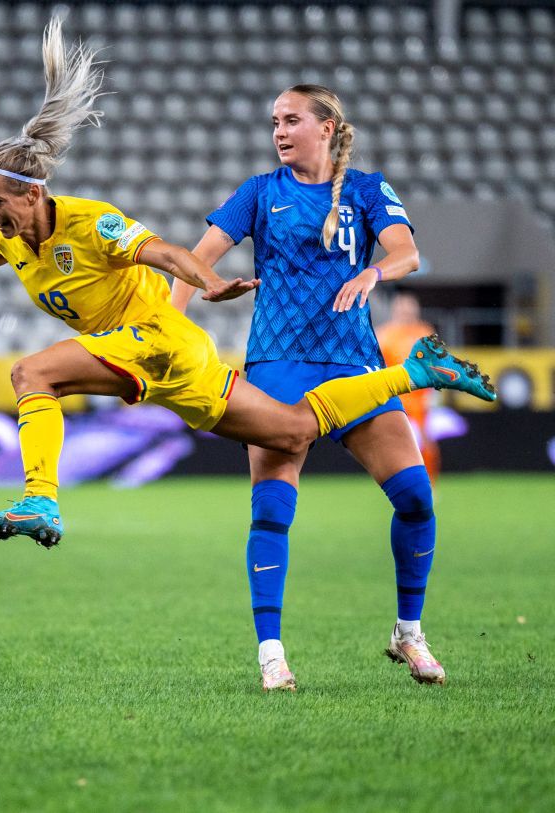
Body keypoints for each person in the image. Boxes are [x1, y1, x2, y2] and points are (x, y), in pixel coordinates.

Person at [0, 21, 493, 580]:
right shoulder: (12, 233)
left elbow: (165, 253)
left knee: (31, 373)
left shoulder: (91, 223)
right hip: (169, 359)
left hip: (155, 337)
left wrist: (207, 283)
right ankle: (416, 373)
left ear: (33, 195)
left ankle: (40, 500)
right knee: (291, 432)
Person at [170, 85, 449, 691]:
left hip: (355, 366)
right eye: (274, 121)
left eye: (291, 119)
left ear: (326, 128)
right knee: (272, 509)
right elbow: (193, 261)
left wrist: (372, 272)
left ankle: (408, 632)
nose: (279, 131)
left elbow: (407, 253)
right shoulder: (259, 192)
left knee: (416, 498)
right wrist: (174, 320)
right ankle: (271, 654)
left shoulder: (368, 190)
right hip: (278, 366)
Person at [379, 291, 441, 482]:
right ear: (395, 310)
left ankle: (428, 484)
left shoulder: (424, 332)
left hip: (419, 398)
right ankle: (399, 484)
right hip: (395, 396)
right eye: (402, 308)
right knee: (392, 445)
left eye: (409, 307)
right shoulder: (384, 335)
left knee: (425, 442)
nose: (406, 312)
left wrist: (434, 393)